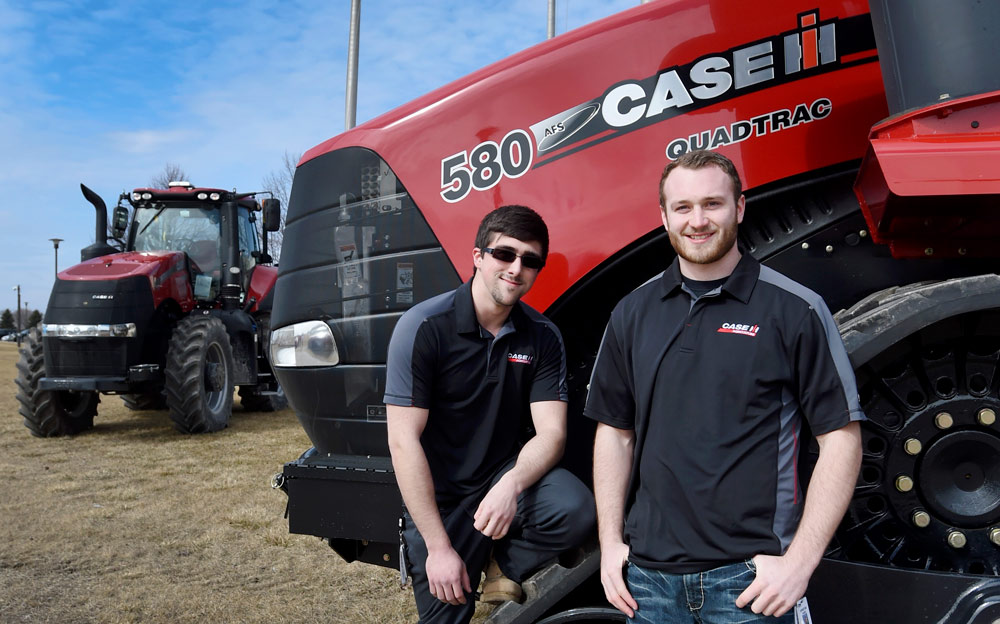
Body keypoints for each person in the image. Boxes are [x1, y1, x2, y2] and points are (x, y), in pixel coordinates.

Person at [586, 150, 864, 623]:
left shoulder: (795, 309)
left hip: (750, 584)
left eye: (712, 204)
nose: (698, 221)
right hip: (649, 585)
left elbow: (841, 438)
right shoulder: (632, 313)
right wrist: (610, 543)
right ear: (664, 216)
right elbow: (615, 432)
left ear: (739, 208)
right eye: (683, 207)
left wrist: (799, 563)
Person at [385, 205, 595, 624]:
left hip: (501, 479)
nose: (516, 268)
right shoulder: (423, 326)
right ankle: (461, 554)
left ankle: (504, 564)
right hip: (442, 502)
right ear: (478, 256)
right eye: (505, 254)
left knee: (576, 510)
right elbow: (402, 441)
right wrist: (440, 549)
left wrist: (510, 485)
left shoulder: (542, 336)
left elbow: (552, 434)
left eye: (530, 260)